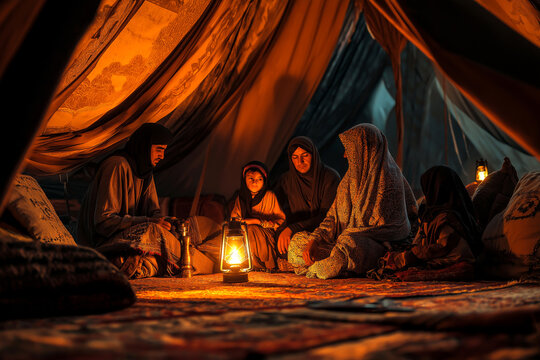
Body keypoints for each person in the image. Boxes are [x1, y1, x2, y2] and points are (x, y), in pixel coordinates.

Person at [288, 123, 417, 279]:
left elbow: (388, 230)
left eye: (349, 149)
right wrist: (315, 239)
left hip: (374, 245)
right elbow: (332, 218)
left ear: (365, 150)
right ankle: (329, 267)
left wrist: (346, 236)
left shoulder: (388, 180)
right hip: (341, 241)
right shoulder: (349, 180)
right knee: (298, 243)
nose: (345, 155)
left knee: (347, 247)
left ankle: (328, 267)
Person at [77, 123, 180, 279]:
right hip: (101, 244)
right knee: (153, 232)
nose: (162, 156)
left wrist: (165, 222)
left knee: (185, 229)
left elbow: (153, 213)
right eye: (159, 149)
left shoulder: (145, 173)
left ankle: (158, 262)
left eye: (164, 150)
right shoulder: (116, 165)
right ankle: (181, 262)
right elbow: (103, 222)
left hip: (130, 240)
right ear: (145, 146)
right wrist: (149, 222)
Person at [374, 165, 483, 280]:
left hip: (457, 261)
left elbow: (442, 247)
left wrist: (404, 258)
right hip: (443, 257)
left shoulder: (448, 217)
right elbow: (422, 242)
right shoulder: (433, 213)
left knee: (407, 267)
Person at [274, 136, 340, 258]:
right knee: (280, 246)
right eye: (295, 157)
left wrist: (292, 228)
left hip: (324, 234)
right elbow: (278, 212)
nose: (300, 162)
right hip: (295, 235)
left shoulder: (330, 178)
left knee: (323, 251)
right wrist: (285, 230)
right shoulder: (286, 181)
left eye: (305, 156)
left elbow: (327, 216)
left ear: (313, 155)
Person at [230, 161, 286, 270]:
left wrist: (258, 221)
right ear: (244, 179)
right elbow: (235, 219)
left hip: (265, 233)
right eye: (251, 178)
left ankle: (260, 265)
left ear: (264, 181)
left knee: (252, 230)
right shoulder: (241, 198)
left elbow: (281, 220)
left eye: (259, 179)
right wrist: (242, 223)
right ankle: (248, 263)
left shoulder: (269, 196)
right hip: (244, 232)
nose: (255, 182)